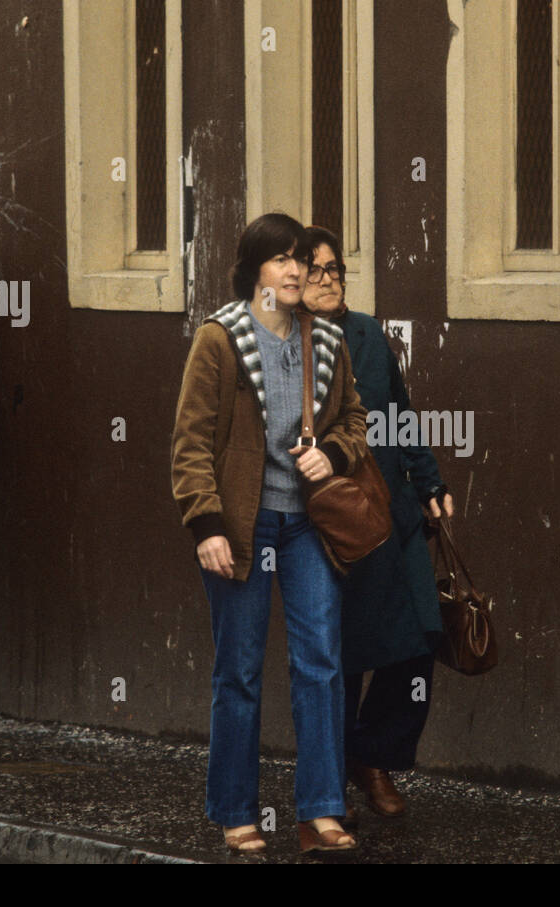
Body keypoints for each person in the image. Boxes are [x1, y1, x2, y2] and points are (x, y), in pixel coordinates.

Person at [171, 213, 371, 852]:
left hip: (308, 524)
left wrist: (334, 455)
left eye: (303, 262)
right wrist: (206, 523)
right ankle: (235, 811)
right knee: (240, 670)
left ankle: (320, 811)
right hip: (241, 525)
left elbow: (355, 422)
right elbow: (191, 441)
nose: (296, 272)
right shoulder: (220, 339)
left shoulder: (327, 341)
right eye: (282, 260)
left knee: (321, 661)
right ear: (254, 269)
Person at [300, 227, 453, 821]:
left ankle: (374, 755)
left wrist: (431, 482)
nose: (330, 279)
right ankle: (330, 781)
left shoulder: (367, 334)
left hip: (396, 507)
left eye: (336, 268)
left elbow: (401, 415)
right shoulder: (290, 341)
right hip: (335, 518)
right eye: (316, 271)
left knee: (419, 635)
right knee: (345, 652)